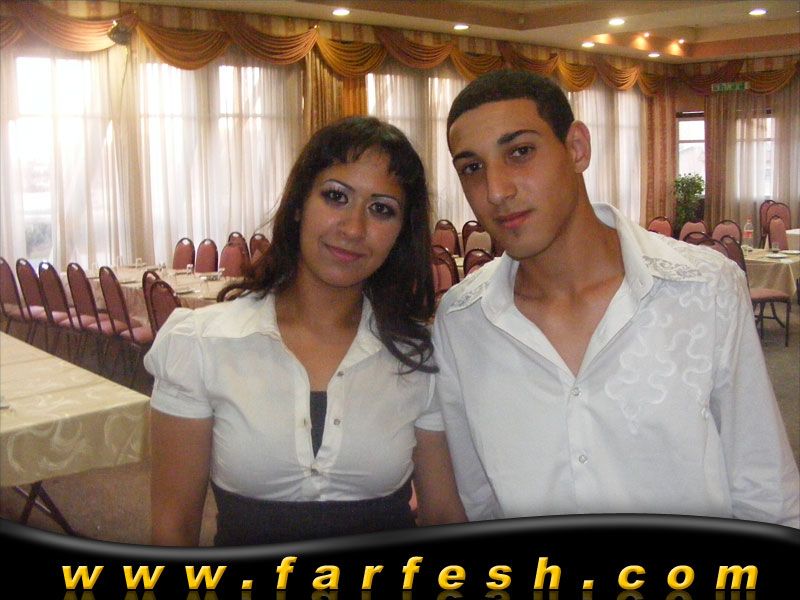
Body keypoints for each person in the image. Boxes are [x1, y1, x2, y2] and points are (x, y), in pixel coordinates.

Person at [433, 69, 799, 528]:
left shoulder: (704, 289)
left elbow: (764, 490)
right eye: (472, 168)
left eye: (520, 152)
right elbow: (477, 500)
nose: (496, 190)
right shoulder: (462, 320)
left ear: (576, 148)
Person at [145, 116, 466, 546]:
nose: (353, 229)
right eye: (336, 196)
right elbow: (174, 529)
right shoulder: (202, 344)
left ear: (400, 234)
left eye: (381, 209)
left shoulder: (419, 355)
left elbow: (442, 514)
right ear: (298, 205)